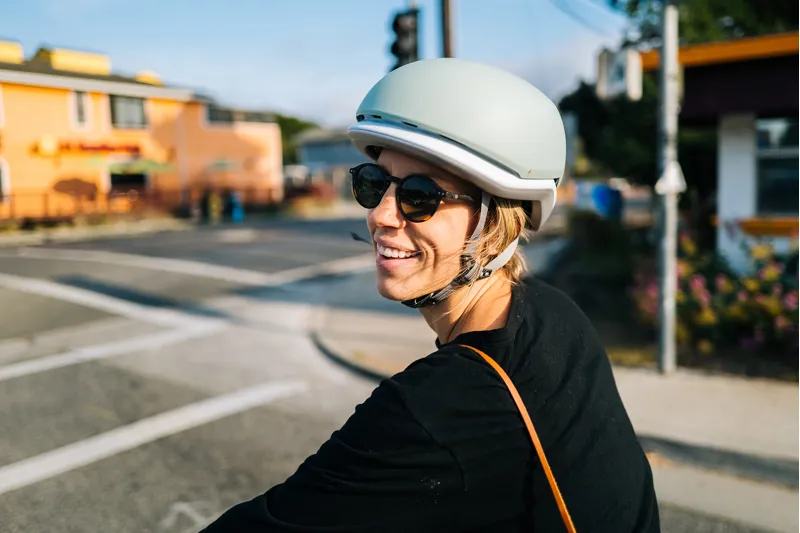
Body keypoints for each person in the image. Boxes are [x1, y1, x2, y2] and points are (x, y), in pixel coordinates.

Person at [202, 58, 660, 532]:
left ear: (496, 219)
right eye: (373, 182)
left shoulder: (434, 409)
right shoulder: (551, 311)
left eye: (420, 195)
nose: (380, 215)